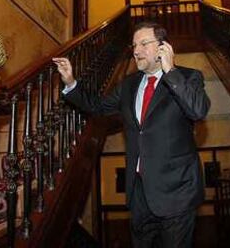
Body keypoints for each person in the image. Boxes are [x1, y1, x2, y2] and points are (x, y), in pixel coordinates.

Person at [53, 21, 210, 247]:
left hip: (177, 193)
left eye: (144, 43)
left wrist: (171, 71)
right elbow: (98, 107)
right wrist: (70, 82)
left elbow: (198, 109)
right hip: (139, 194)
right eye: (134, 45)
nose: (136, 51)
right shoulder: (128, 84)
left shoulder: (188, 77)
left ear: (163, 47)